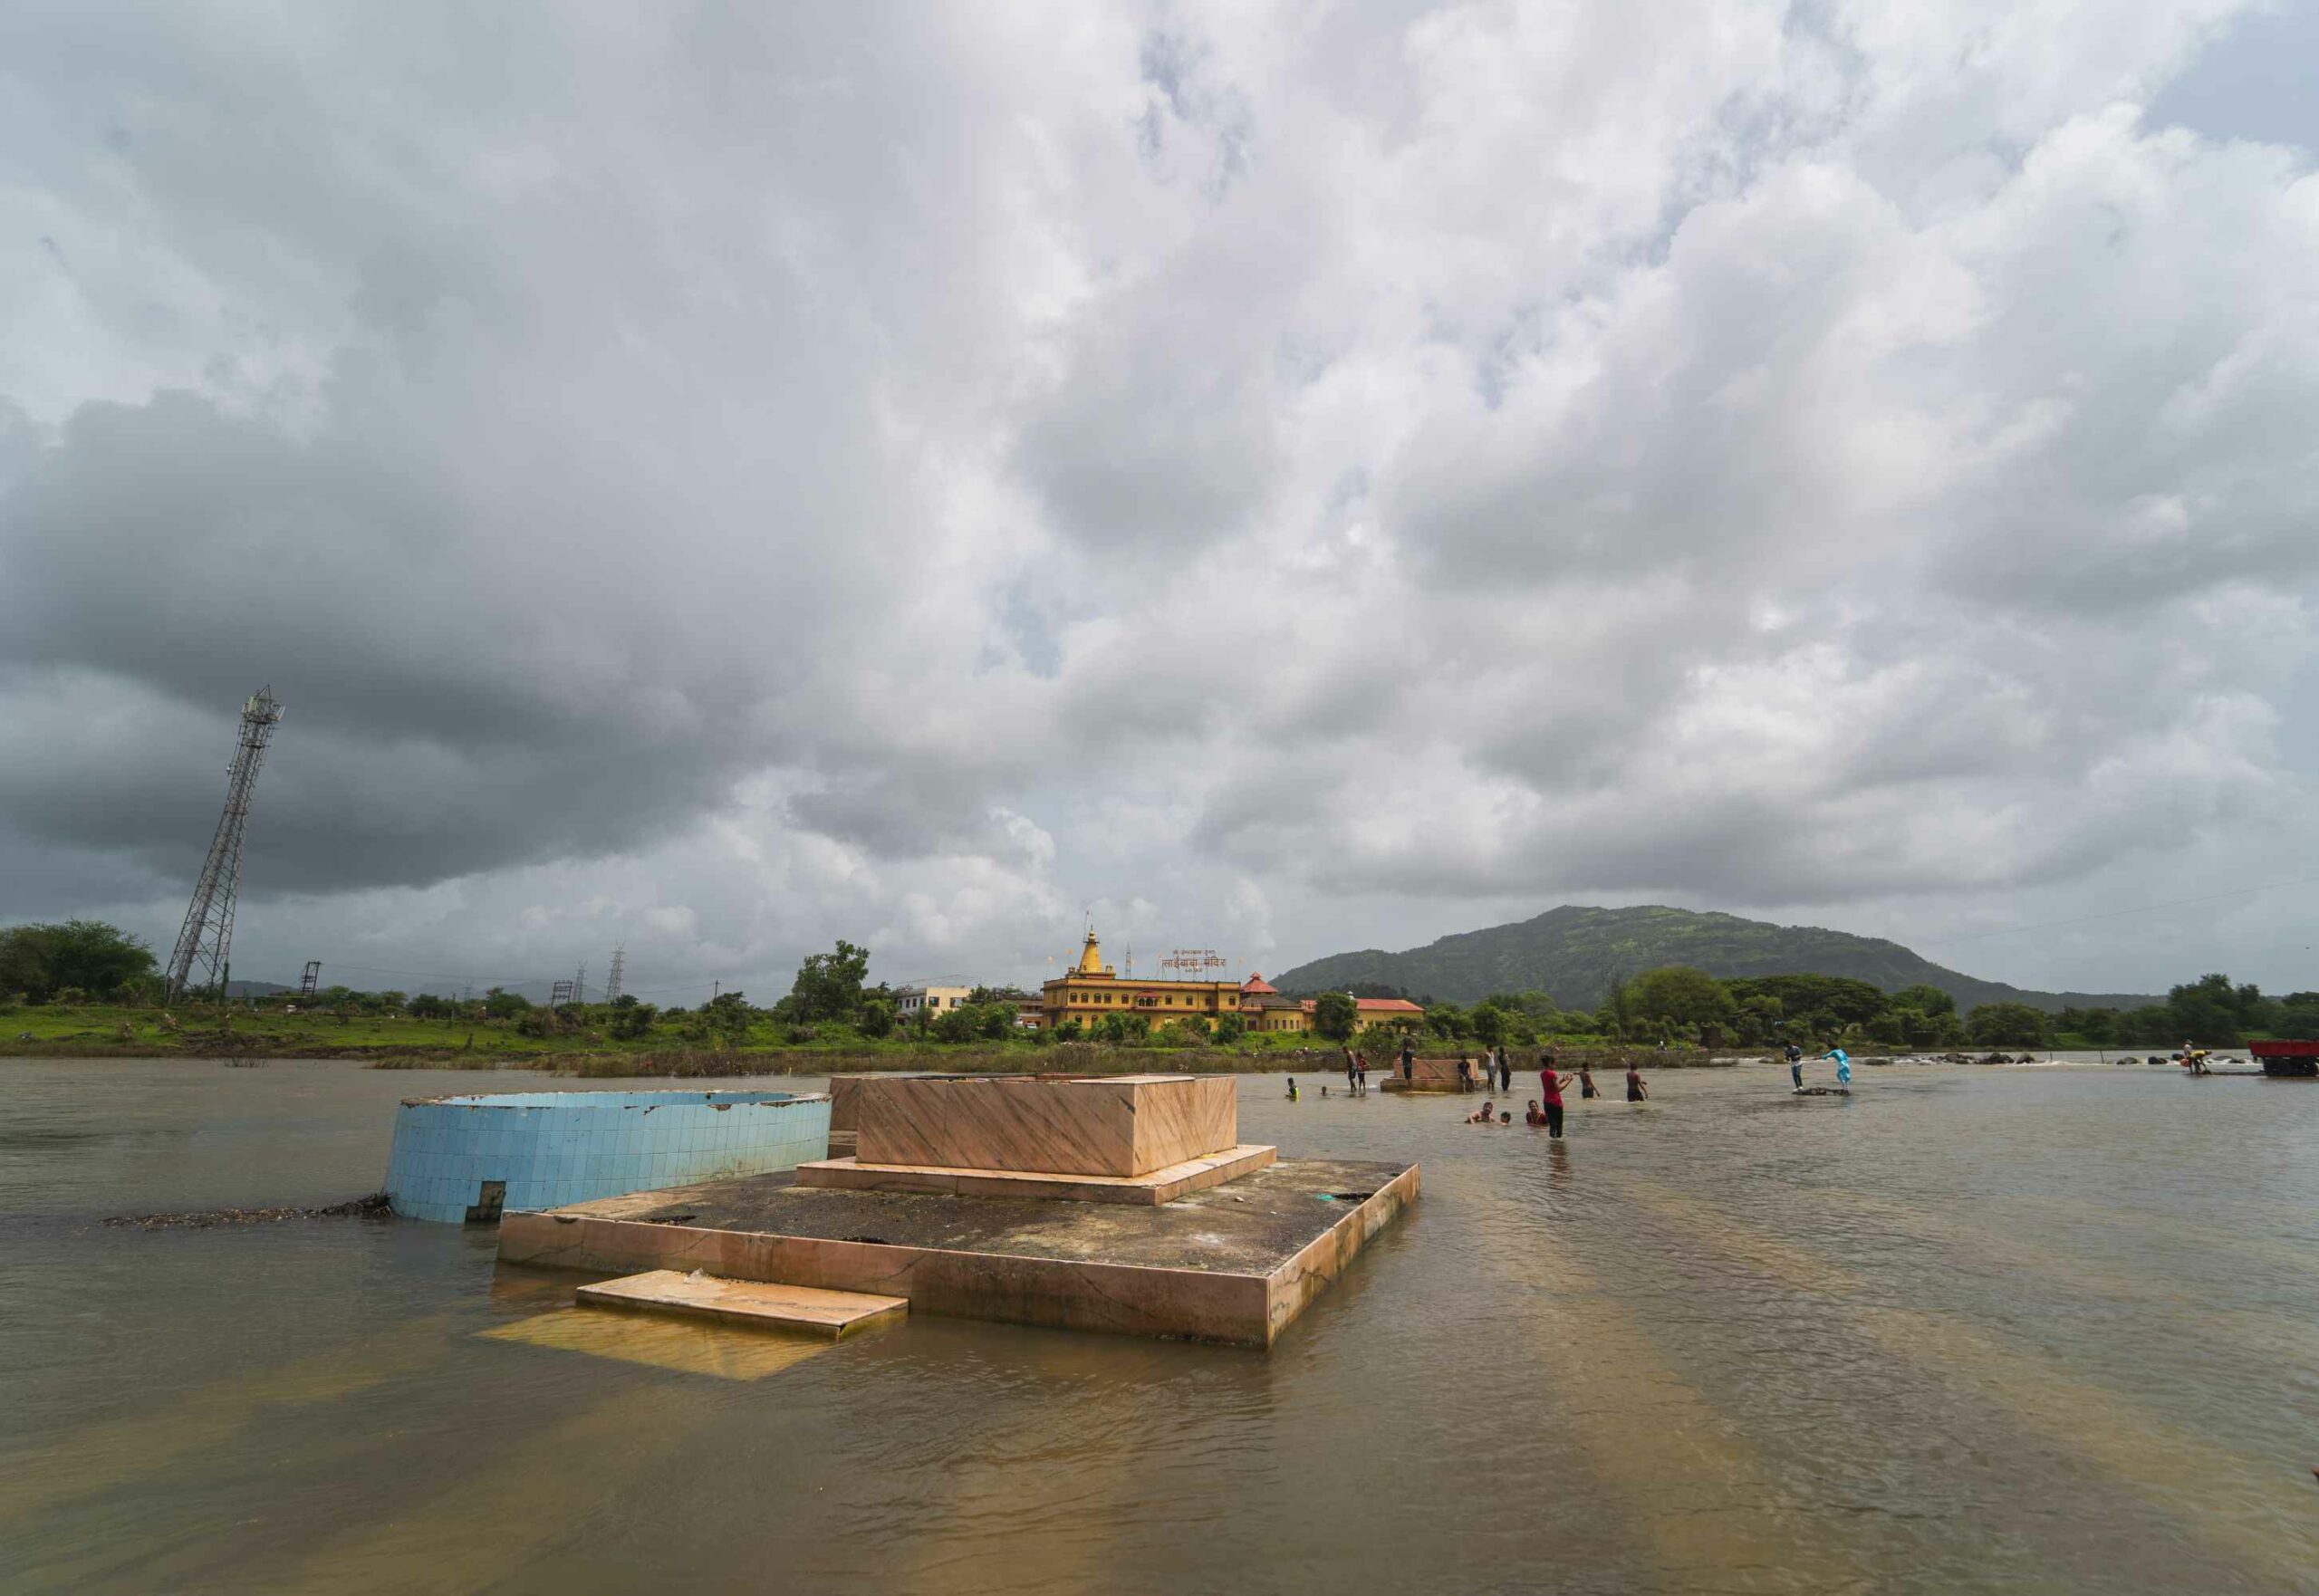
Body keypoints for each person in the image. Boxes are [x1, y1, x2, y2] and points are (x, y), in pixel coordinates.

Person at [1539, 1062, 1566, 1139]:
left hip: (1546, 1102)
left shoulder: (1542, 1074)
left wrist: (1563, 1080)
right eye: (1554, 1064)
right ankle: (1558, 1146)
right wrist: (1569, 1081)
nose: (1555, 1066)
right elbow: (1558, 1089)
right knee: (1558, 1126)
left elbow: (1552, 1086)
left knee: (1552, 1125)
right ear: (1550, 1064)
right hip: (1556, 1102)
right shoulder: (1553, 1074)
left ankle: (1552, 1145)